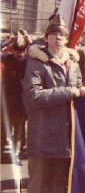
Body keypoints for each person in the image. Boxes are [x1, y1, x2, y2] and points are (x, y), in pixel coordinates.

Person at [22, 14, 85, 193]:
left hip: (66, 141)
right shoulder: (37, 62)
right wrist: (69, 92)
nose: (58, 37)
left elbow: (77, 87)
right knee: (38, 186)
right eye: (53, 33)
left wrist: (83, 91)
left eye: (62, 34)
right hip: (42, 139)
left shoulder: (73, 64)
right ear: (46, 38)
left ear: (67, 39)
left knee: (59, 187)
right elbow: (33, 96)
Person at [1, 33, 28, 164]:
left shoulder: (24, 60)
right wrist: (8, 44)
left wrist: (8, 44)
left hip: (17, 101)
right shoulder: (8, 58)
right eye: (18, 50)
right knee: (7, 129)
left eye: (22, 51)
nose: (20, 54)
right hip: (10, 100)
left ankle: (15, 153)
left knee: (17, 129)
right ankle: (9, 153)